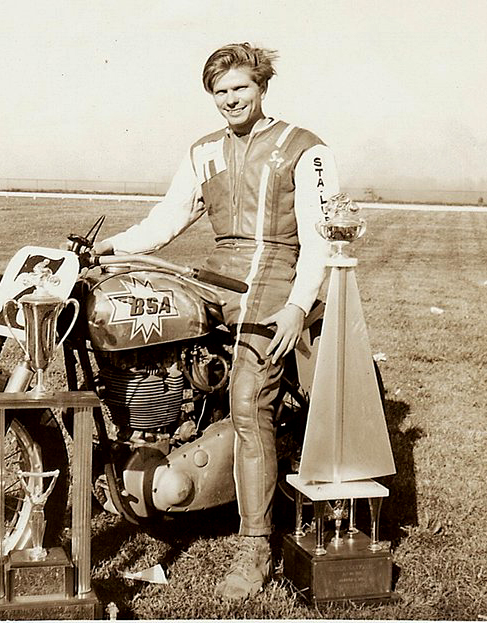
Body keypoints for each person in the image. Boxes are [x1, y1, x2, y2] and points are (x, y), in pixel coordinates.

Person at [93, 42, 340, 602]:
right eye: (220, 91)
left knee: (249, 401)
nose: (230, 99)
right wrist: (109, 248)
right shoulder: (204, 150)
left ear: (262, 87)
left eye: (240, 88)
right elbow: (169, 217)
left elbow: (319, 239)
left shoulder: (304, 148)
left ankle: (255, 544)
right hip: (216, 271)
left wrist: (297, 305)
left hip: (275, 272)